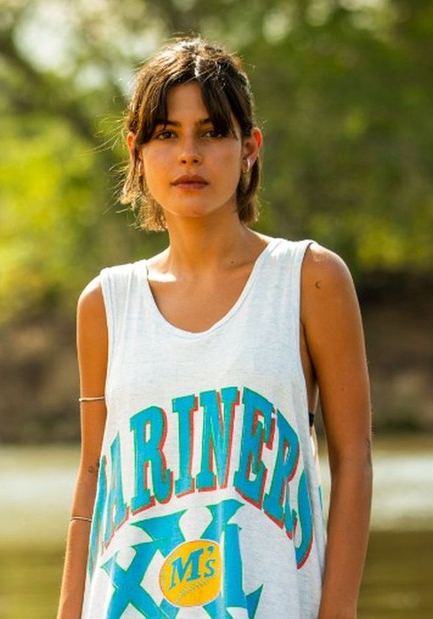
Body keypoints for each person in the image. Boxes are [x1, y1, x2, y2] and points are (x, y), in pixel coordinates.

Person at [56, 38, 372, 618]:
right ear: (137, 150)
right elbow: (94, 475)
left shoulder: (308, 277)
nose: (189, 154)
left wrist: (338, 611)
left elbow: (352, 458)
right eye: (166, 134)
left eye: (212, 132)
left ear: (249, 146)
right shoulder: (106, 301)